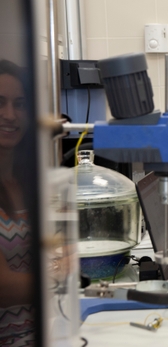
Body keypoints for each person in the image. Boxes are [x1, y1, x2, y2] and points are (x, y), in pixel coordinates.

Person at [0, 59, 35, 346]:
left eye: (19, 104)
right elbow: (4, 288)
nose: (10, 115)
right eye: (0, 103)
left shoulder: (25, 180)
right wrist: (69, 277)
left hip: (48, 327)